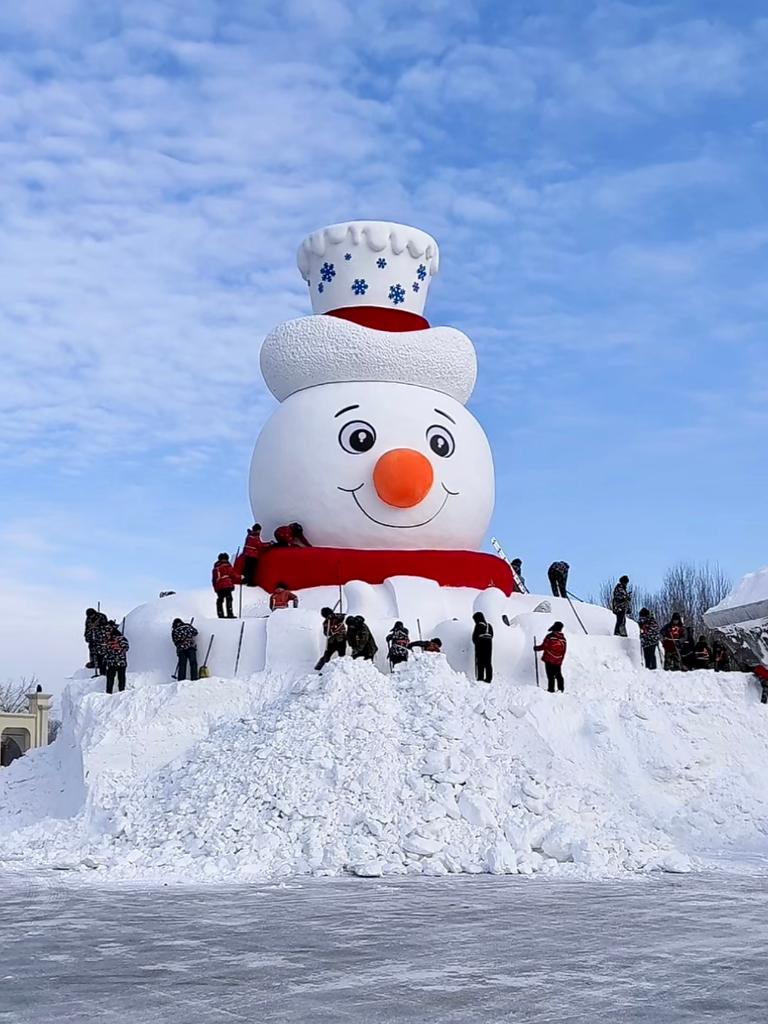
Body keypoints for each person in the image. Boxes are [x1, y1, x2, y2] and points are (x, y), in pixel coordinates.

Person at [534, 621, 567, 693]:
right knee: (558, 675)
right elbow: (564, 651)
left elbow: (544, 646)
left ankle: (551, 689)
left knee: (550, 676)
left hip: (549, 659)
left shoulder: (550, 636)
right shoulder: (563, 639)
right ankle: (561, 689)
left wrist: (536, 648)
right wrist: (560, 660)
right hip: (558, 660)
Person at [212, 553, 240, 619]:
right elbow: (233, 575)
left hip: (219, 587)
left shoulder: (216, 568)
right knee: (229, 599)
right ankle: (230, 614)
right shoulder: (227, 566)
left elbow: (214, 579)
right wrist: (240, 578)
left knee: (220, 600)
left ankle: (220, 614)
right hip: (227, 585)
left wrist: (215, 588)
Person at [104, 621, 129, 694]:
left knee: (121, 678)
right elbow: (105, 650)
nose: (107, 632)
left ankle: (122, 693)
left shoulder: (120, 638)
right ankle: (108, 693)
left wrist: (117, 648)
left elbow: (126, 648)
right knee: (110, 679)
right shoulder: (108, 639)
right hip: (112, 662)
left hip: (120, 661)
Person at [472, 612, 494, 683]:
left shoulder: (478, 625)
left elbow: (474, 637)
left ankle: (480, 677)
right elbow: (492, 635)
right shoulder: (489, 625)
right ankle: (488, 678)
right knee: (488, 662)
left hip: (480, 645)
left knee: (480, 661)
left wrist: (476, 643)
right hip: (489, 645)